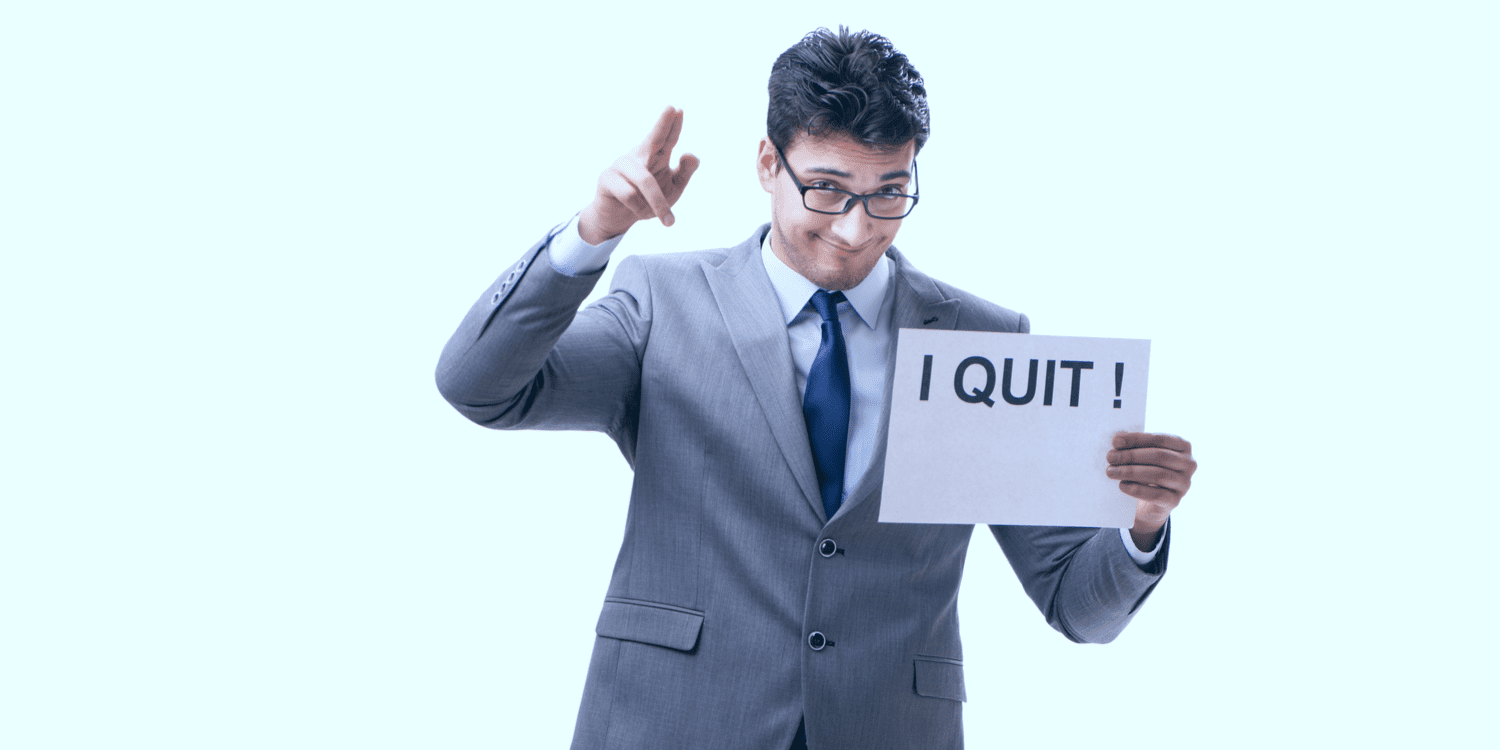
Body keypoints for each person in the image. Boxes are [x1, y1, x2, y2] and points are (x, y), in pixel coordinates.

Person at [436, 27, 1196, 750]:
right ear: (769, 163)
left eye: (889, 193)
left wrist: (1139, 527)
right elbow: (480, 387)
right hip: (672, 720)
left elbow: (1075, 604)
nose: (856, 229)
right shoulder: (661, 303)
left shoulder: (982, 342)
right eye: (827, 190)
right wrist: (590, 235)